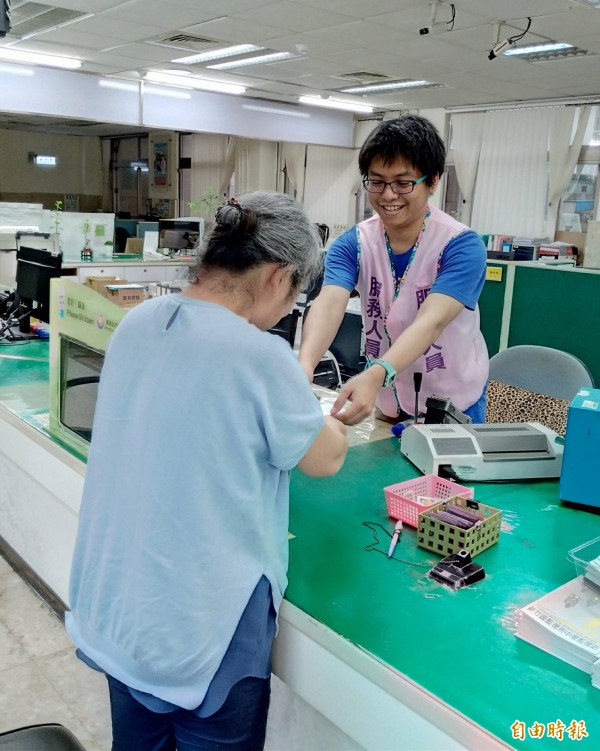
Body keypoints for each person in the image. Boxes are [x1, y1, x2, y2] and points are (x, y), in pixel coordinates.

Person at [65, 192, 348, 751]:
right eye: (294, 296)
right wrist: (338, 417)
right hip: (202, 629)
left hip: (123, 612)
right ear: (278, 277)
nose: (289, 310)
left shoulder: (139, 321)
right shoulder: (260, 355)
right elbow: (325, 458)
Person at [298, 115, 489, 426]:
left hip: (451, 403)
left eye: (402, 182)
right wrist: (305, 364)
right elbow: (330, 301)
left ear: (433, 180)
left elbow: (432, 321)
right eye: (376, 181)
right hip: (389, 399)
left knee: (447, 476)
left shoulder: (460, 245)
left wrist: (378, 373)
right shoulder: (353, 243)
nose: (387, 195)